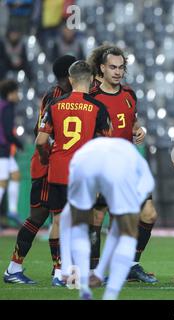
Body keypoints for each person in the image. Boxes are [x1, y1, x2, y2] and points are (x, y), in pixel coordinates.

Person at [36, 60, 111, 287]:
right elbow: (106, 144)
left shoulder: (55, 104)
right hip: (83, 173)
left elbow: (40, 141)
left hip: (58, 169)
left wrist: (46, 157)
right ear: (91, 80)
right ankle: (78, 272)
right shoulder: (98, 107)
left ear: (70, 79)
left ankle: (59, 272)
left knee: (58, 220)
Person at [3, 55, 76, 286]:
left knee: (46, 217)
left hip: (52, 164)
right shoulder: (57, 97)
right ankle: (56, 272)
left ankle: (16, 268)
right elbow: (41, 132)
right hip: (49, 166)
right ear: (69, 75)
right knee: (46, 217)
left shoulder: (55, 95)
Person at [88, 46, 158, 284]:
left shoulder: (129, 94)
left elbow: (133, 122)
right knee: (98, 218)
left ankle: (130, 264)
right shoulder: (92, 98)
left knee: (148, 215)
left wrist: (139, 131)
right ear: (102, 68)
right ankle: (94, 272)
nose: (117, 72)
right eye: (112, 67)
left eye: (121, 68)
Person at [65, 137, 154, 300]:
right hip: (115, 168)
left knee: (77, 223)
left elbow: (66, 219)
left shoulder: (85, 153)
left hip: (82, 162)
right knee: (128, 231)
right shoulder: (135, 167)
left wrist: (66, 267)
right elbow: (119, 230)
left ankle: (83, 285)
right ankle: (110, 294)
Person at [0, 80, 23, 227]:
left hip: (3, 148)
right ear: (10, 94)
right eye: (16, 92)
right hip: (2, 148)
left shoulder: (2, 105)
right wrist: (19, 143)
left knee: (15, 175)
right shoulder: (7, 107)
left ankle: (13, 211)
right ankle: (12, 210)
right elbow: (8, 132)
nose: (18, 95)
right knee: (2, 183)